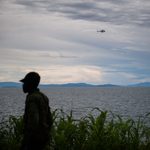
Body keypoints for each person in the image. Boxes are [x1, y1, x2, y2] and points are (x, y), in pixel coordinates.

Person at [19, 72, 53, 150]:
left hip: (34, 139)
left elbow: (33, 122)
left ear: (29, 84)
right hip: (42, 137)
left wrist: (24, 142)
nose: (23, 85)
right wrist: (45, 132)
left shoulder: (32, 98)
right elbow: (50, 119)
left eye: (25, 83)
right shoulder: (43, 96)